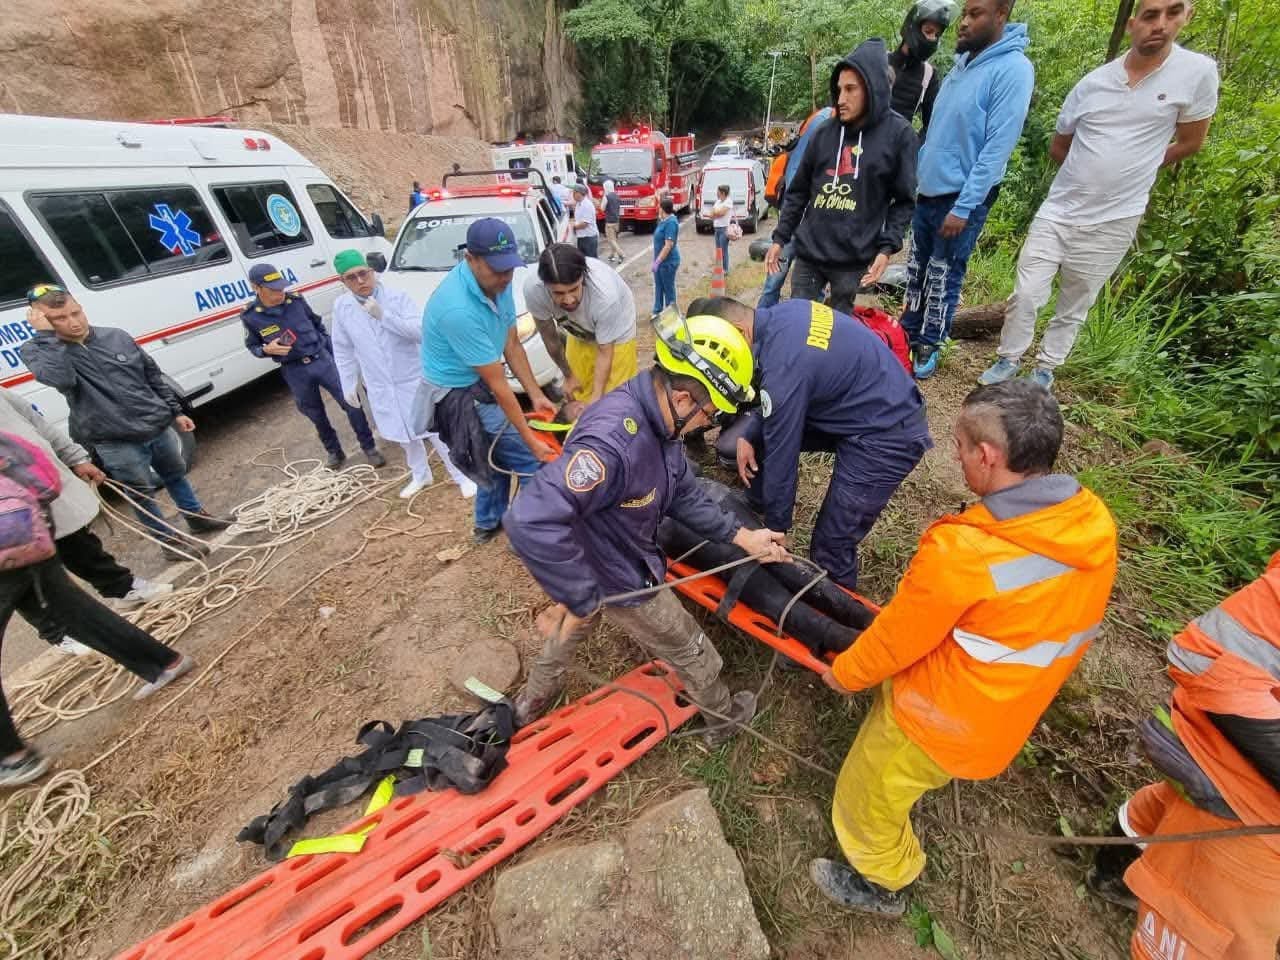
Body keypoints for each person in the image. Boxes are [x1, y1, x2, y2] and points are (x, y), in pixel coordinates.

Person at [809, 380, 1117, 916]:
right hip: (1010, 710)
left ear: (988, 455)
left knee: (868, 794)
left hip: (940, 717)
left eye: (959, 446)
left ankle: (884, 879)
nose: (955, 456)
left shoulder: (965, 552)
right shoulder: (1091, 523)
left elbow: (897, 639)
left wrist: (847, 674)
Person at [503, 311, 788, 744]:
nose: (710, 424)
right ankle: (724, 719)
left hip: (610, 553)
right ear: (684, 399)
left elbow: (684, 492)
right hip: (621, 572)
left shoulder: (659, 424)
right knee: (690, 646)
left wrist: (743, 536)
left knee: (576, 623)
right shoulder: (612, 443)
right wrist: (580, 592)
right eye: (711, 414)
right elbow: (529, 519)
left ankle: (532, 700)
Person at [979, 0, 1218, 391]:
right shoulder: (1094, 82)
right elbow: (1060, 146)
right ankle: (1008, 358)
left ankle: (1045, 369)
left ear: (1186, 17)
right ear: (1132, 24)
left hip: (1116, 216)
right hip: (1060, 207)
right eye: (1150, 15)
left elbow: (1192, 141)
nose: (1160, 24)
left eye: (1172, 13)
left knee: (1076, 300)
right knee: (1026, 292)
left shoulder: (1197, 73)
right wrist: (1089, 174)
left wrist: (1137, 169)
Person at [1087, 552, 1280, 960]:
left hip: (1220, 765)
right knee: (1216, 937)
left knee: (1166, 810)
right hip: (1245, 803)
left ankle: (1114, 872)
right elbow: (1204, 652)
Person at [690, 296, 931, 591]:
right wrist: (750, 432)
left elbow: (783, 455)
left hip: (888, 435)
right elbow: (780, 398)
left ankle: (837, 610)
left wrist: (777, 530)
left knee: (831, 544)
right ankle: (756, 506)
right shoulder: (785, 314)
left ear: (739, 332)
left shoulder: (784, 365)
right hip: (862, 404)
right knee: (760, 434)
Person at [0, 430, 195, 787]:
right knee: (75, 611)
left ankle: (11, 758)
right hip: (25, 529)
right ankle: (165, 663)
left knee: (73, 610)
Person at [21, 285, 231, 562]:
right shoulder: (39, 351)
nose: (73, 322)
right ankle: (169, 542)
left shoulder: (115, 336)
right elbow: (61, 379)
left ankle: (196, 517)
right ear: (41, 320)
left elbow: (152, 375)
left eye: (76, 312)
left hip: (156, 425)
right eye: (59, 318)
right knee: (141, 493)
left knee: (175, 475)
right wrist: (48, 338)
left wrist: (176, 411)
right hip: (114, 439)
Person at [900, 0, 1034, 379]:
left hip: (960, 197)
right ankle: (907, 330)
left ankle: (929, 342)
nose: (963, 22)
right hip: (929, 190)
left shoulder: (1013, 70)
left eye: (975, 14)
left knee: (943, 272)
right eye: (965, 14)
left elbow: (996, 148)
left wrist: (965, 206)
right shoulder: (961, 67)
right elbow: (937, 133)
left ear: (1000, 16)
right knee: (917, 266)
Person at [0, 391, 173, 656]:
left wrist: (75, 458)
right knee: (20, 578)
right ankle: (58, 632)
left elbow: (36, 422)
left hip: (41, 488)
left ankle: (122, 588)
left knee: (79, 544)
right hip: (6, 519)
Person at [419, 218, 559, 543]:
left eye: (509, 268)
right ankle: (527, 535)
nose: (505, 277)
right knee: (529, 459)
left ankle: (487, 521)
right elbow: (498, 385)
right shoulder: (457, 309)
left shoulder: (498, 284)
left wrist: (536, 394)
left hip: (480, 379)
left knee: (491, 453)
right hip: (458, 391)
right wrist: (530, 440)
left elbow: (512, 344)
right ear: (471, 259)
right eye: (497, 269)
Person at [765, 39, 918, 317]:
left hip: (852, 261)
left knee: (838, 331)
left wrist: (886, 248)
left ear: (872, 87)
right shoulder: (824, 133)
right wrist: (780, 238)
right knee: (800, 323)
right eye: (839, 89)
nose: (841, 99)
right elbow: (798, 192)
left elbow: (904, 201)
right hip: (809, 255)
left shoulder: (899, 136)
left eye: (850, 89)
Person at [329, 250, 475, 500]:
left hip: (412, 378)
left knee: (436, 430)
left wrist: (384, 316)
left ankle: (462, 475)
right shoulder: (342, 307)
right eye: (351, 277)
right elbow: (342, 348)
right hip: (380, 384)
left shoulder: (397, 297)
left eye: (363, 273)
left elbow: (419, 331)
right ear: (342, 281)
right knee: (402, 434)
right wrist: (348, 382)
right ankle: (420, 474)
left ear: (371, 271)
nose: (360, 281)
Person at [240, 263, 385, 471]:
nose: (280, 293)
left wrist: (332, 354)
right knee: (315, 414)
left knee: (351, 402)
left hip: (321, 360)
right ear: (256, 288)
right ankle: (334, 451)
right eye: (273, 290)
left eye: (281, 288)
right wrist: (266, 350)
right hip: (294, 370)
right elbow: (253, 346)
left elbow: (317, 324)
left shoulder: (296, 301)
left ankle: (369, 447)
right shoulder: (251, 316)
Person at [524, 244, 638, 409]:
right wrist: (568, 375)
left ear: (583, 278)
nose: (569, 300)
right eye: (558, 293)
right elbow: (550, 339)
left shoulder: (605, 296)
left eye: (574, 289)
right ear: (545, 285)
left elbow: (605, 352)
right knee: (578, 392)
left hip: (617, 334)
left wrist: (597, 397)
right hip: (578, 331)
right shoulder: (534, 290)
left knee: (613, 401)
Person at [757, 107, 834, 310]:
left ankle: (770, 316)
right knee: (780, 277)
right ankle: (767, 318)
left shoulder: (820, 122)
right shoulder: (824, 123)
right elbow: (796, 182)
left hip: (804, 218)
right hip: (799, 219)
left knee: (794, 281)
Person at [890, 0, 959, 135]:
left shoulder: (928, 76)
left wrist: (912, 144)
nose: (933, 38)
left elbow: (932, 127)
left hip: (897, 146)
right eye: (929, 31)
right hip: (862, 144)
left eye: (937, 35)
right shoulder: (879, 60)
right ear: (912, 27)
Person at [652, 197, 681, 315]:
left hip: (668, 262)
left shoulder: (671, 223)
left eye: (659, 207)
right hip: (660, 261)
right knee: (659, 286)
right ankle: (657, 311)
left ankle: (672, 314)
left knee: (668, 289)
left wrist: (658, 261)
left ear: (662, 209)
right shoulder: (664, 220)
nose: (658, 209)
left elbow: (668, 245)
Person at [570, 184, 600, 258]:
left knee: (591, 261)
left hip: (588, 238)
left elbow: (584, 224)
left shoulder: (587, 205)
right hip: (582, 237)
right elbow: (578, 219)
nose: (572, 195)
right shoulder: (579, 204)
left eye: (574, 193)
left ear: (579, 193)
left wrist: (573, 227)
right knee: (583, 260)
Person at [710, 184, 733, 276]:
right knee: (718, 250)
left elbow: (721, 213)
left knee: (723, 250)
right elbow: (711, 214)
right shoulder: (718, 202)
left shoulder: (728, 202)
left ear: (723, 193)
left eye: (718, 191)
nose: (717, 193)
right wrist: (716, 213)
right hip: (717, 228)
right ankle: (719, 269)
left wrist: (716, 213)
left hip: (724, 229)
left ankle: (725, 269)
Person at [601, 179, 624, 263]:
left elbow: (602, 208)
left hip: (609, 222)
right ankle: (612, 255)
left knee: (611, 240)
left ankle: (621, 254)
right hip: (617, 221)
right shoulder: (617, 196)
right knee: (614, 239)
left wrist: (604, 197)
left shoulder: (606, 197)